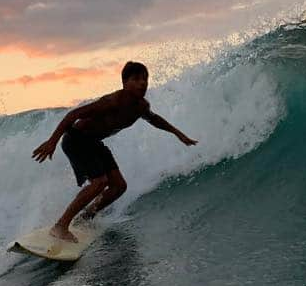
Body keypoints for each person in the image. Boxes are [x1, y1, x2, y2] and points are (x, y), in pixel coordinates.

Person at [32, 61, 197, 242]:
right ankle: (60, 226)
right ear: (125, 82)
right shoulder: (112, 102)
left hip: (93, 142)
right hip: (76, 140)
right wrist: (52, 142)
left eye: (145, 79)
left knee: (119, 186)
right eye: (136, 79)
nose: (143, 83)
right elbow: (73, 115)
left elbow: (154, 119)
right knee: (99, 182)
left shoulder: (141, 106)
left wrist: (178, 134)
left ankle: (84, 219)